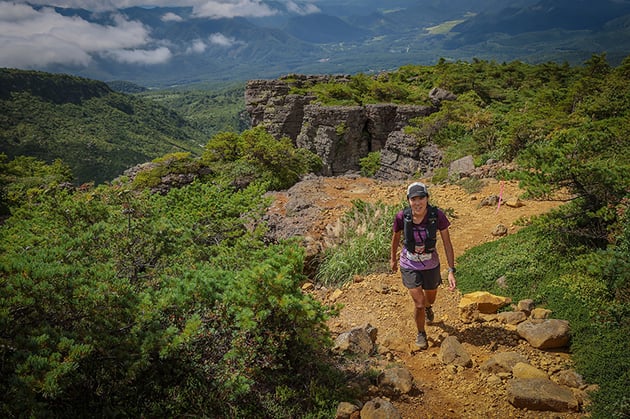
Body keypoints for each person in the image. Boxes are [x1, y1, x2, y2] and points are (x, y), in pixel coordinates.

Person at [390, 182, 457, 349]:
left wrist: (450, 270)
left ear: (428, 198)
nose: (417, 202)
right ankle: (421, 333)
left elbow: (447, 243)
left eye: (421, 198)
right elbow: (396, 238)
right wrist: (392, 259)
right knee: (419, 303)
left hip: (431, 264)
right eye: (414, 199)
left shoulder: (437, 215)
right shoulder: (401, 217)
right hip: (409, 263)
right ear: (408, 200)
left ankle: (428, 307)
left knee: (430, 298)